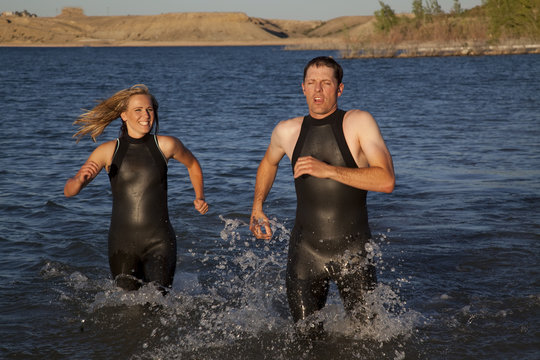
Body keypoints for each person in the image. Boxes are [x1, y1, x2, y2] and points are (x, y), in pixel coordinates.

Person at [249, 57, 395, 332]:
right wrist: (258, 207)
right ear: (302, 87)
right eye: (312, 84)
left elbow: (386, 180)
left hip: (352, 252)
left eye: (326, 84)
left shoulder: (358, 123)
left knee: (369, 340)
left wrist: (329, 170)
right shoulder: (286, 131)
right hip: (305, 251)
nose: (318, 91)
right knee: (305, 340)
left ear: (339, 89)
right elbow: (268, 162)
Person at [64, 84, 208, 293]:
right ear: (124, 115)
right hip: (122, 245)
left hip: (160, 241)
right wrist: (77, 184)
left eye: (149, 110)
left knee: (160, 305)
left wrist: (200, 196)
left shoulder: (166, 145)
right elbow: (69, 190)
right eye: (138, 110)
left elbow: (193, 164)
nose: (146, 115)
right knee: (127, 307)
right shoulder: (107, 151)